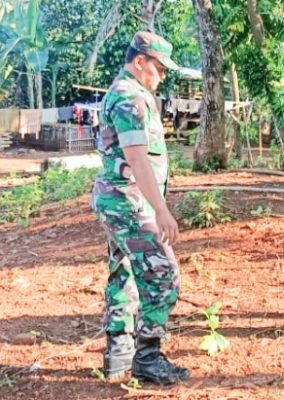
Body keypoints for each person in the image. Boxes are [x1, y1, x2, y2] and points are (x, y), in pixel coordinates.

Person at [91, 31, 189, 385]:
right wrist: (161, 210)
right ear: (140, 62)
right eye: (159, 69)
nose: (162, 76)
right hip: (128, 201)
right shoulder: (131, 97)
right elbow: (137, 160)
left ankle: (118, 352)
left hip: (118, 199)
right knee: (163, 274)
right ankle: (147, 356)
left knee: (124, 270)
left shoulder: (123, 92)